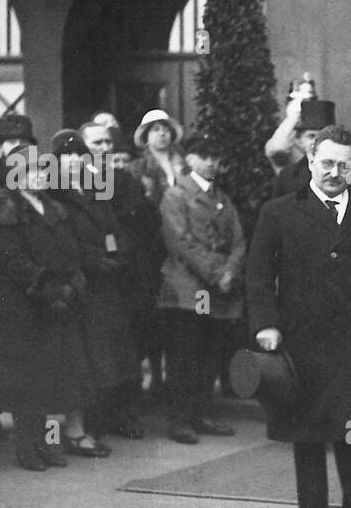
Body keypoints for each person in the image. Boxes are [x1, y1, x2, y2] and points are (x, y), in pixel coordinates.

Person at [247, 124, 351, 508]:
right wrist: (266, 326)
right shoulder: (279, 211)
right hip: (300, 339)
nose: (334, 171)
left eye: (344, 164)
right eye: (326, 162)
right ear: (309, 161)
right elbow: (258, 275)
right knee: (306, 430)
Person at [0, 145, 95, 471]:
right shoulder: (7, 208)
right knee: (27, 381)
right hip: (24, 306)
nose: (40, 175)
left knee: (51, 380)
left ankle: (47, 445)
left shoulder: (53, 207)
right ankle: (27, 447)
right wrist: (47, 286)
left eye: (44, 169)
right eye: (32, 169)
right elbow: (12, 260)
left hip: (56, 303)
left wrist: (72, 283)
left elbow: (70, 251)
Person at [48, 129, 136, 450]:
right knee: (81, 356)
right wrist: (96, 260)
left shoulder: (96, 190)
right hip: (81, 284)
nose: (73, 161)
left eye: (78, 155)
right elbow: (63, 239)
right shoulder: (54, 194)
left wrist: (117, 254)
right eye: (65, 156)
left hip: (105, 284)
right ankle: (74, 429)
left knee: (105, 353)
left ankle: (100, 419)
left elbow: (112, 227)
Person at [157, 132, 245, 443]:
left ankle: (202, 414)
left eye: (215, 157)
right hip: (185, 289)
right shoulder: (176, 196)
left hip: (216, 289)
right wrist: (216, 273)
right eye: (203, 156)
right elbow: (180, 242)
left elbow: (238, 240)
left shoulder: (223, 198)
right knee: (184, 356)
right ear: (189, 158)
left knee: (209, 353)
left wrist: (230, 272)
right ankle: (180, 419)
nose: (211, 162)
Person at [80, 119, 161, 436]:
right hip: (94, 276)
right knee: (97, 351)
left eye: (107, 143)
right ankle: (96, 418)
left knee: (128, 347)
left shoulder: (124, 179)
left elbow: (142, 223)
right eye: (96, 143)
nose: (104, 148)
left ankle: (124, 413)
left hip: (127, 273)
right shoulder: (74, 181)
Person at [131, 109, 187, 205]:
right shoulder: (139, 166)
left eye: (166, 130)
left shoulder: (183, 161)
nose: (162, 133)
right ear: (146, 136)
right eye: (156, 129)